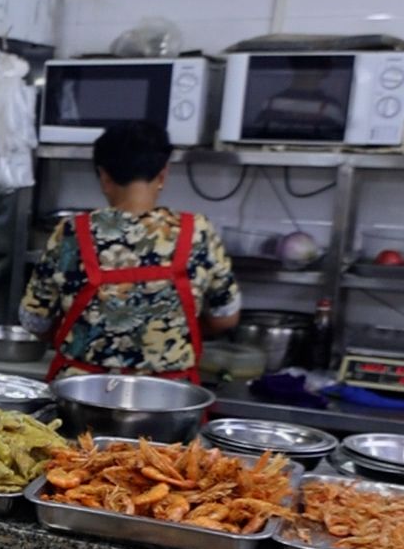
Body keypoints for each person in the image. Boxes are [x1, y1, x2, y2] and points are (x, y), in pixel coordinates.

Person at [20, 121, 241, 382]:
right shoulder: (197, 231)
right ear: (163, 174)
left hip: (81, 395)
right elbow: (225, 319)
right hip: (168, 401)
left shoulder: (71, 232)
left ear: (104, 177)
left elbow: (35, 320)